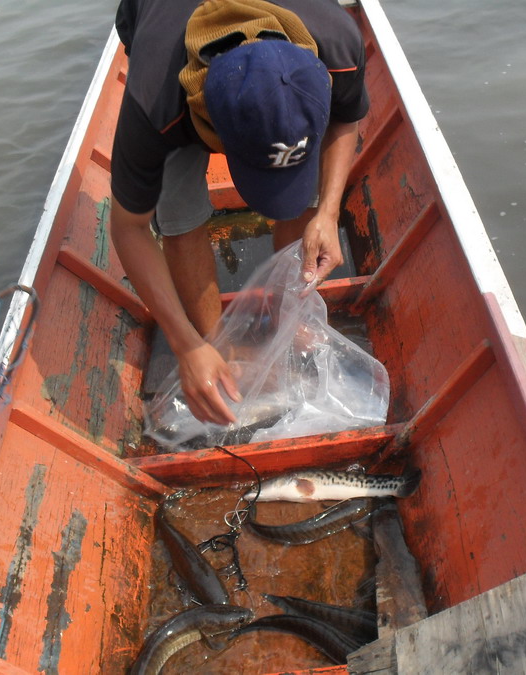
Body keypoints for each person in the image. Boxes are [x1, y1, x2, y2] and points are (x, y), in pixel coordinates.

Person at [110, 0, 369, 426]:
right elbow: (129, 227)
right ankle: (218, 341)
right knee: (176, 201)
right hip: (162, 24)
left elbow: (345, 121)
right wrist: (189, 345)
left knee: (306, 190)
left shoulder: (337, 45)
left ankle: (288, 314)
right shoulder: (154, 101)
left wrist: (327, 211)